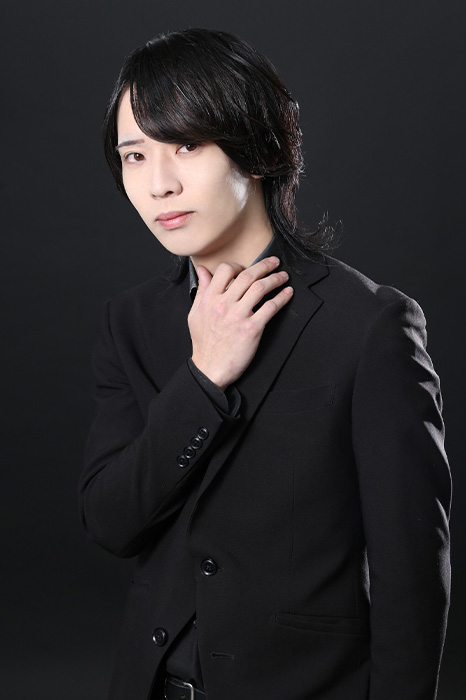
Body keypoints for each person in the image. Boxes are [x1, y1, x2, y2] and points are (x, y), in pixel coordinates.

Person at [79, 28, 451, 700]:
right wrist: (203, 379)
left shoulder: (370, 325)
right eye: (135, 155)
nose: (159, 184)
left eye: (186, 145)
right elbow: (111, 523)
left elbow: (411, 572)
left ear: (255, 148)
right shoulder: (129, 321)